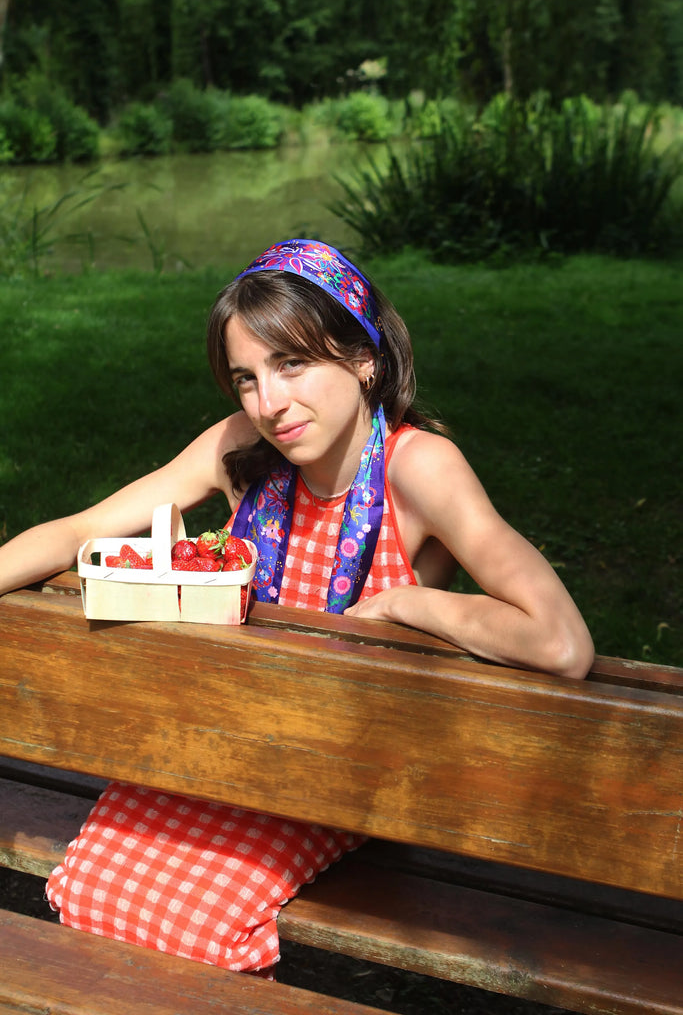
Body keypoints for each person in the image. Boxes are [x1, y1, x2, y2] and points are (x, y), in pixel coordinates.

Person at [0, 239, 594, 973]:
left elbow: (561, 643)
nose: (269, 403)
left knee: (180, 919)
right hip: (223, 743)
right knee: (92, 890)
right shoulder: (243, 446)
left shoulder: (417, 467)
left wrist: (411, 601)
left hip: (335, 769)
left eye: (292, 364)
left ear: (363, 356)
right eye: (247, 378)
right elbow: (81, 530)